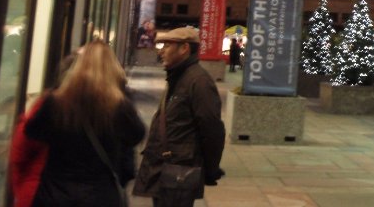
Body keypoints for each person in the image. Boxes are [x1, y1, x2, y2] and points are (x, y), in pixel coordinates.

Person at [21, 41, 146, 207]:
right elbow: (137, 135)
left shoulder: (56, 101)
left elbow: (32, 131)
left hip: (55, 194)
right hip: (100, 196)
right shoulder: (119, 105)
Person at [133, 27, 226, 207]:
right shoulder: (178, 77)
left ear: (184, 49)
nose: (161, 51)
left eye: (167, 46)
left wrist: (210, 169)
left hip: (178, 173)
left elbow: (212, 130)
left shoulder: (198, 82)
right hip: (165, 170)